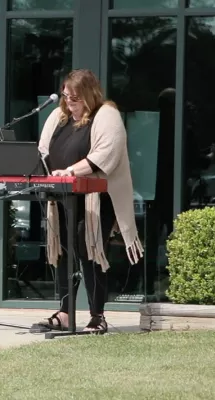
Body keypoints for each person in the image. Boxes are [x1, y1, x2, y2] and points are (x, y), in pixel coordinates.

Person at [32, 69, 143, 333]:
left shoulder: (106, 115)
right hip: (63, 196)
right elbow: (43, 149)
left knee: (90, 249)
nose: (69, 102)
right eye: (66, 96)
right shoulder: (59, 116)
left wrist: (70, 171)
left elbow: (106, 155)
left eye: (75, 98)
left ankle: (97, 315)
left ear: (89, 96)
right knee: (63, 251)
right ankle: (65, 312)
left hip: (97, 197)